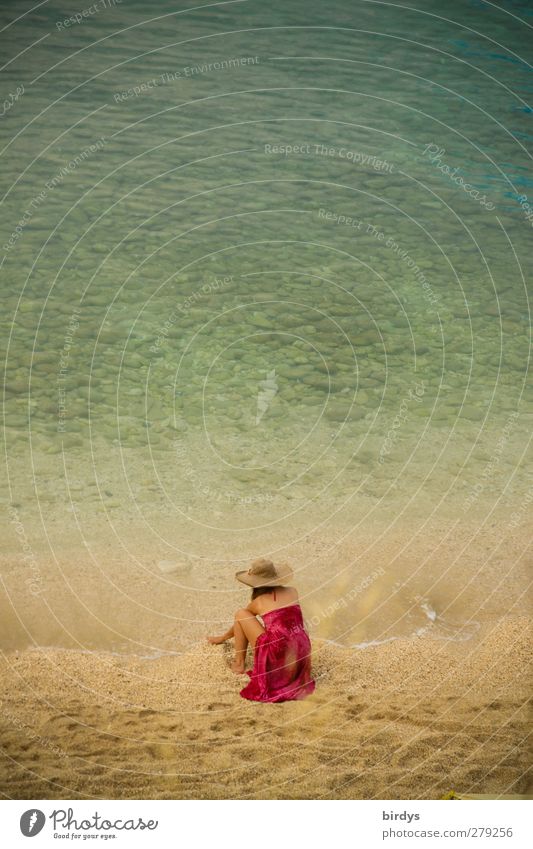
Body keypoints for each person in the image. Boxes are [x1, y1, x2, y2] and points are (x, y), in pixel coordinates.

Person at [207, 558, 315, 702]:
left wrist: (223, 637)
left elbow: (242, 620)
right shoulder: (293, 591)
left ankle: (239, 663)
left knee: (240, 613)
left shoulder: (259, 602)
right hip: (301, 650)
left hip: (279, 654)